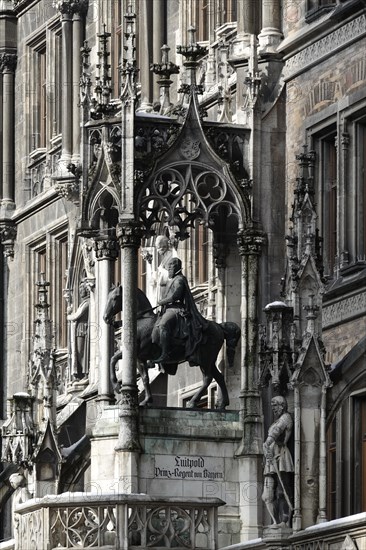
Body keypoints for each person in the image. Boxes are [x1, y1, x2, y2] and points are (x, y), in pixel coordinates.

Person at [152, 257, 208, 363]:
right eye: (168, 267)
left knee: (163, 325)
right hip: (168, 308)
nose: (168, 269)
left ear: (176, 266)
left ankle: (165, 354)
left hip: (176, 308)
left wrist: (162, 301)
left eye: (170, 267)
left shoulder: (179, 279)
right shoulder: (172, 280)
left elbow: (176, 296)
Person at [262, 396, 294, 527]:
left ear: (282, 405)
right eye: (272, 405)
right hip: (271, 460)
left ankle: (284, 521)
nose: (273, 408)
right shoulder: (275, 421)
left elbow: (277, 432)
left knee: (282, 491)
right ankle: (275, 522)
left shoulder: (285, 418)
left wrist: (268, 441)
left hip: (281, 458)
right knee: (267, 496)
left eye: (275, 405)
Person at [68, 279, 90, 381]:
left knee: (81, 352)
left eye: (82, 289)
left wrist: (68, 315)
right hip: (79, 330)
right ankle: (80, 373)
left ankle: (84, 373)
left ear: (87, 290)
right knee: (78, 352)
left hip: (82, 329)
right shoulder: (83, 303)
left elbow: (77, 315)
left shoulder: (87, 303)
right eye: (80, 289)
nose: (81, 291)